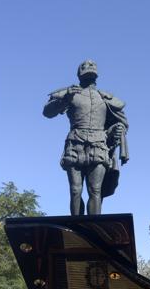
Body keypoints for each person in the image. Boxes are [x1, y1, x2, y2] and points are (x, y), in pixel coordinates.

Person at [43, 59, 129, 216]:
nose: (89, 67)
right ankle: (76, 227)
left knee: (95, 189)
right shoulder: (70, 93)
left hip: (99, 145)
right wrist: (66, 98)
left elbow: (121, 122)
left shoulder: (105, 98)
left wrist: (117, 130)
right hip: (75, 144)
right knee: (75, 190)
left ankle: (93, 229)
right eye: (85, 67)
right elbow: (47, 112)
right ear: (79, 74)